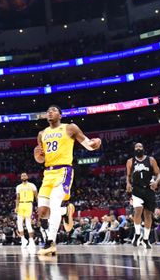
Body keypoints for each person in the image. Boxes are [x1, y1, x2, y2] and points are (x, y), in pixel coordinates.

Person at [34, 105, 102, 256]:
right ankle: (66, 211)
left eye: (53, 110)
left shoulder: (70, 128)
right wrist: (37, 156)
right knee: (43, 212)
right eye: (48, 110)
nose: (50, 112)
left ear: (60, 115)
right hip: (48, 173)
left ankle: (50, 243)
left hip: (63, 171)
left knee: (54, 203)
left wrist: (95, 143)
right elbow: (41, 158)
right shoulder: (42, 134)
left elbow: (88, 144)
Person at [126, 142, 160, 249]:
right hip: (137, 189)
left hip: (149, 189)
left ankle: (145, 239)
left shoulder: (151, 160)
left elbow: (159, 174)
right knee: (138, 210)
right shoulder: (130, 161)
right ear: (134, 149)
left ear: (143, 148)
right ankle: (137, 234)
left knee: (147, 215)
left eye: (140, 146)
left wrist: (156, 182)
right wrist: (128, 183)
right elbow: (128, 175)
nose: (138, 148)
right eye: (136, 147)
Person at [15, 172, 37, 246]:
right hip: (21, 204)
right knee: (19, 223)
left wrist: (39, 205)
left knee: (28, 223)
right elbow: (17, 198)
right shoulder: (18, 187)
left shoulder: (32, 185)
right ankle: (23, 239)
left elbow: (36, 196)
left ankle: (31, 240)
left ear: (27, 177)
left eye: (25, 175)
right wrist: (16, 206)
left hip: (29, 204)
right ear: (21, 178)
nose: (23, 177)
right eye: (22, 176)